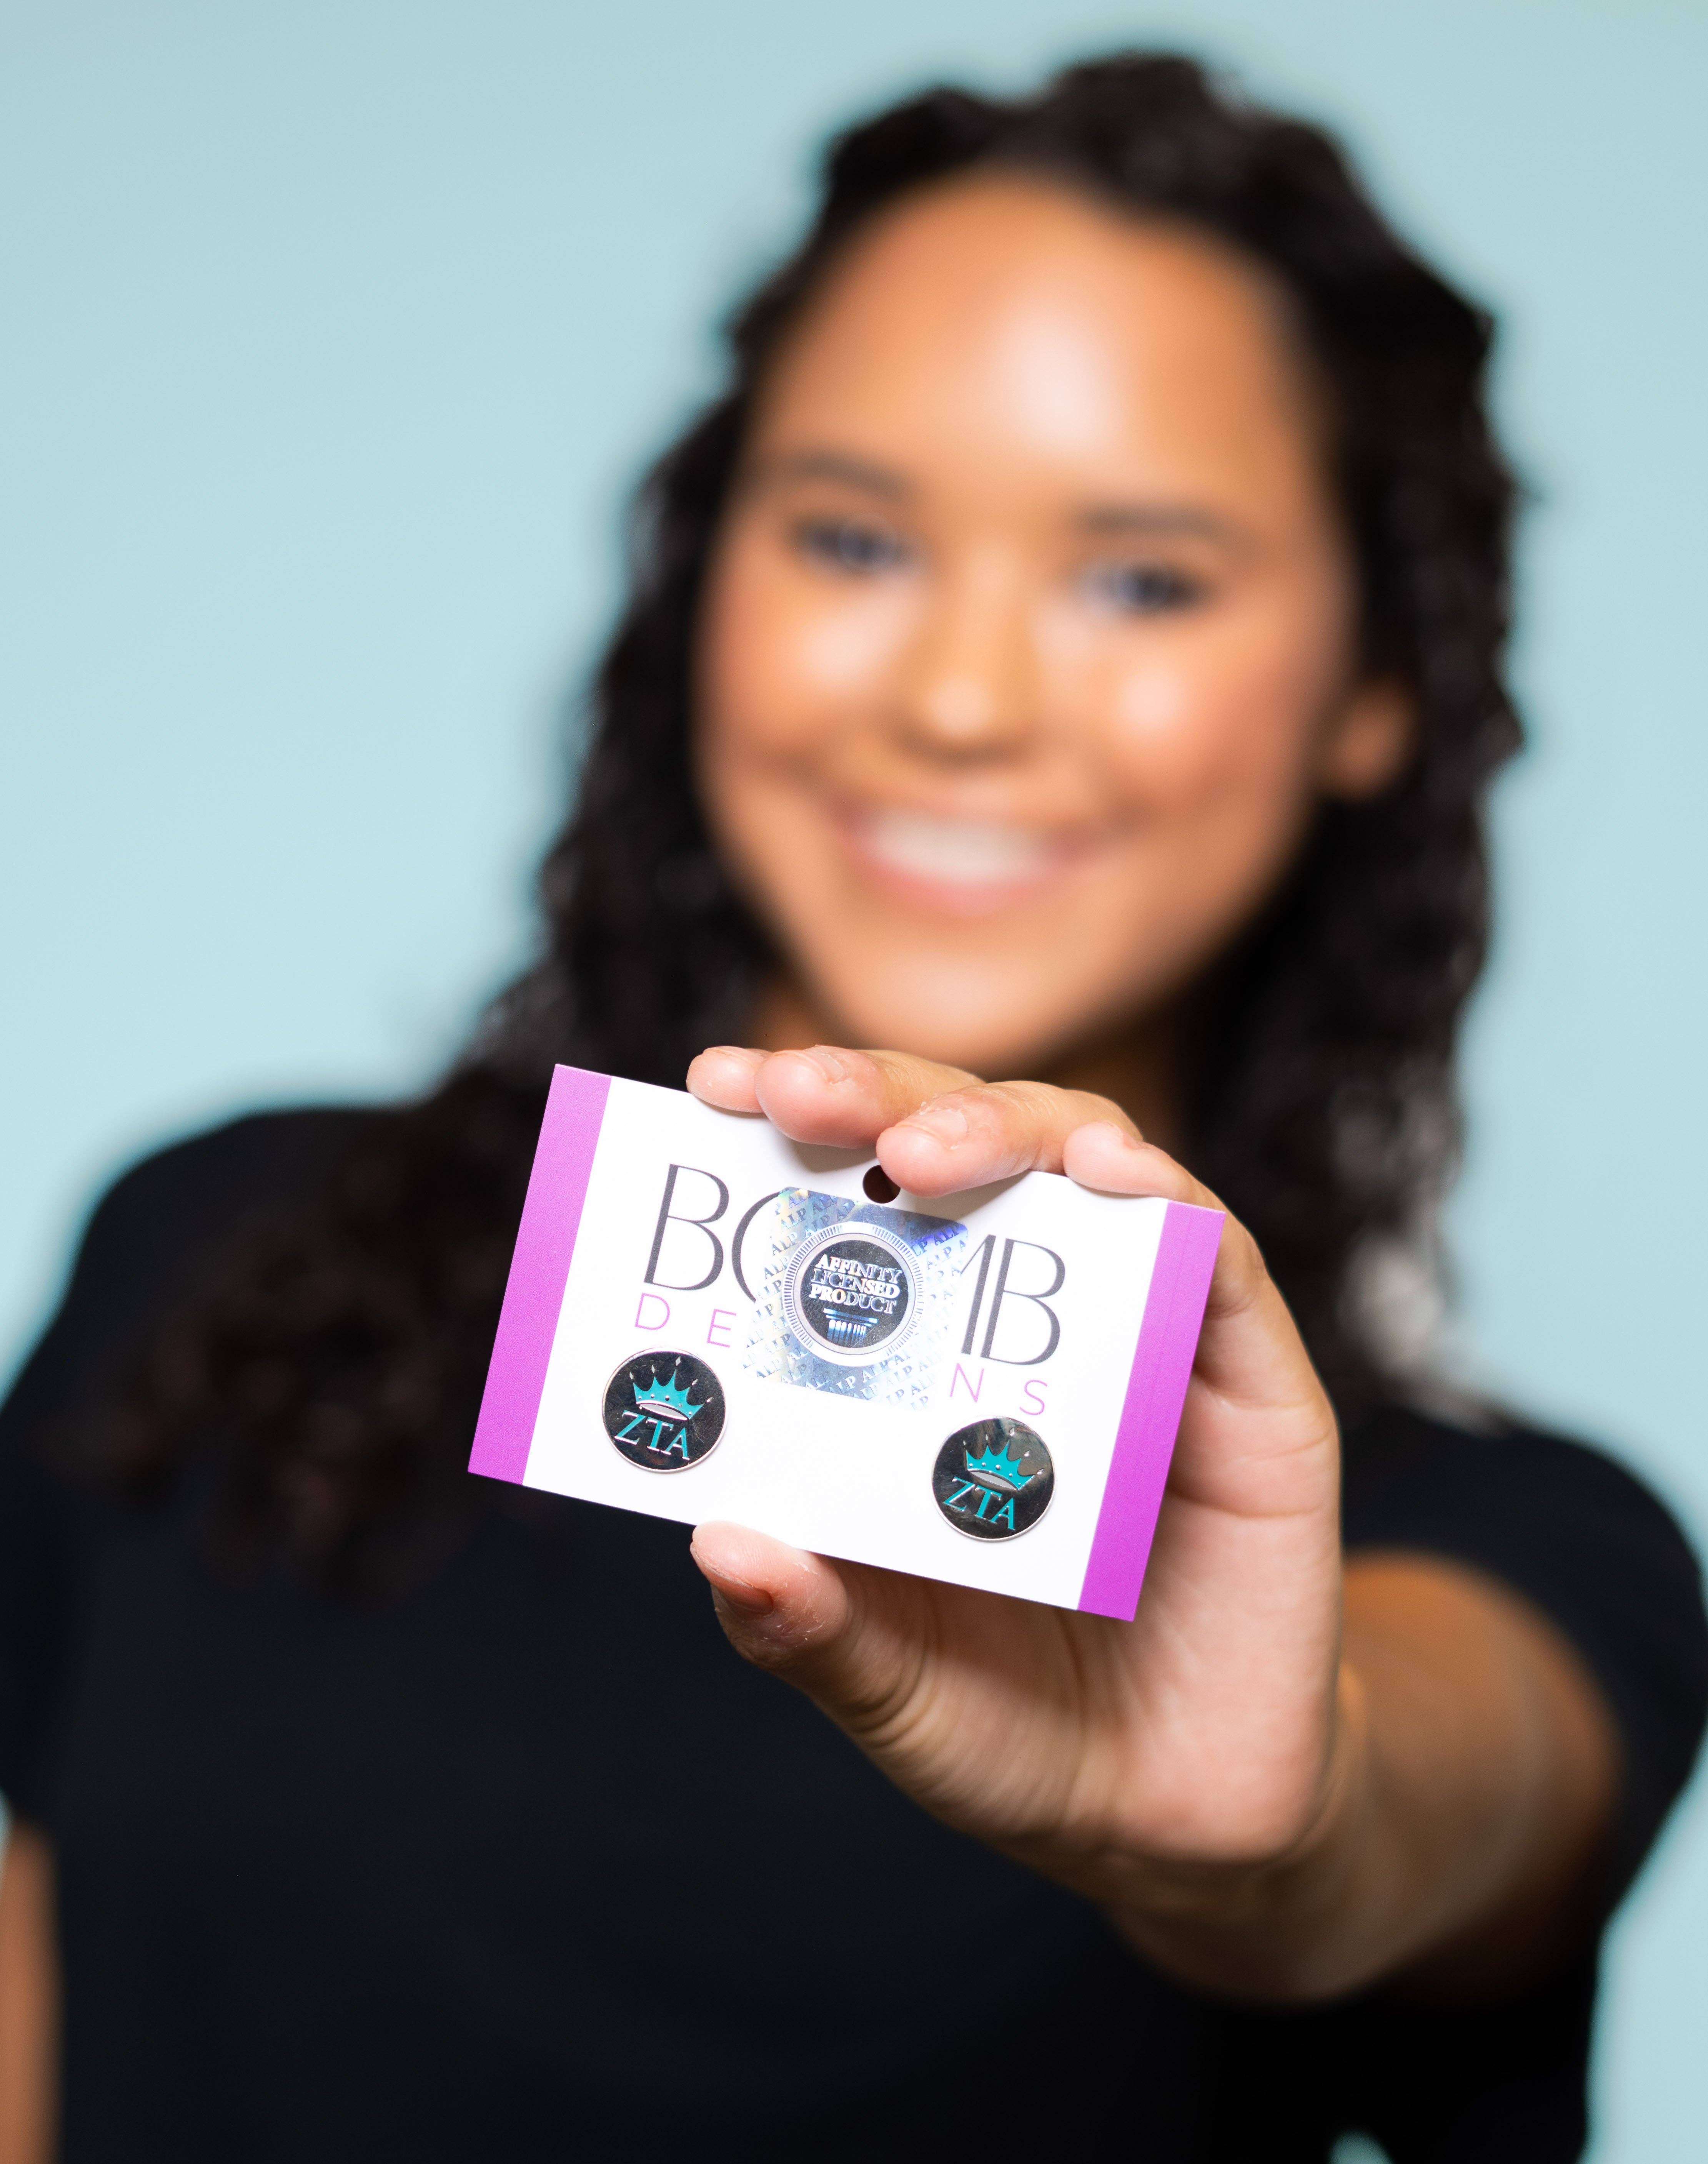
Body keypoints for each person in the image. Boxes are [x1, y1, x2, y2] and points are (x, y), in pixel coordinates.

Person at [0, 51, 1702, 2164]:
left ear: (1379, 687)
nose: (962, 700)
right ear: (704, 581)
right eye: (855, 538)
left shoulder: (1503, 1540)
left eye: (1144, 580)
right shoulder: (220, 1261)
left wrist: (1294, 1805)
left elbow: (1433, 1772)